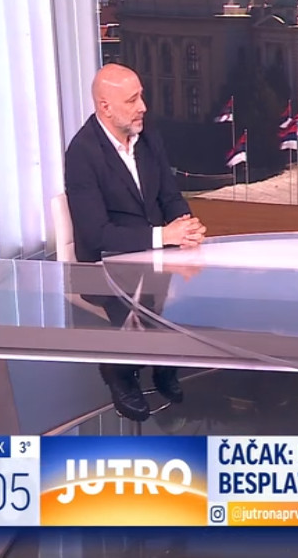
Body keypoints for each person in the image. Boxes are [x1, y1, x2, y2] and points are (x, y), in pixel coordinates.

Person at [65, 63, 207, 421]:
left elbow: (169, 195)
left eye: (141, 96)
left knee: (194, 291)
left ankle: (162, 360)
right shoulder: (82, 152)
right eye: (132, 100)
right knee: (143, 302)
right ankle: (119, 372)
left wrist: (185, 225)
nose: (142, 106)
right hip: (105, 263)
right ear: (105, 107)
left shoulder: (148, 136)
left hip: (155, 253)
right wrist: (163, 235)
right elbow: (96, 234)